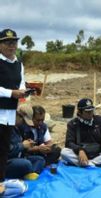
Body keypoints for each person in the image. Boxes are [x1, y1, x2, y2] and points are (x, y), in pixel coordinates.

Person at [0, 28, 26, 193]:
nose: (12, 46)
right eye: (8, 43)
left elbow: (22, 83)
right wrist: (11, 93)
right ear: (0, 45)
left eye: (14, 42)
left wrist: (23, 91)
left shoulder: (18, 64)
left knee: (3, 149)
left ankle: (1, 181)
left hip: (9, 113)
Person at [61, 98, 101, 167]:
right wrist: (79, 150)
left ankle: (88, 164)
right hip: (80, 154)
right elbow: (69, 142)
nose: (90, 114)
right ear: (79, 112)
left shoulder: (100, 121)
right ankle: (92, 164)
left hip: (97, 153)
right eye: (87, 112)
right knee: (64, 152)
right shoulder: (73, 124)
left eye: (92, 111)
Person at [6, 104, 45, 180]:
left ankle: (30, 173)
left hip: (18, 158)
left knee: (40, 159)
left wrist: (28, 144)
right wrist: (22, 145)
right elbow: (6, 151)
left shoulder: (16, 128)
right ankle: (29, 172)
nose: (23, 123)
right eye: (23, 120)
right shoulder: (6, 129)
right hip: (7, 161)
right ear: (17, 115)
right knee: (26, 164)